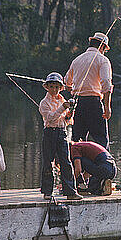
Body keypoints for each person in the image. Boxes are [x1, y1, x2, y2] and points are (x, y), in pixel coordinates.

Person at [64, 32, 113, 149]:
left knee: (77, 142)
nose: (104, 52)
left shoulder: (76, 60)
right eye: (104, 50)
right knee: (101, 141)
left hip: (78, 104)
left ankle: (78, 166)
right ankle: (103, 165)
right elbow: (106, 83)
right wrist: (107, 107)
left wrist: (71, 87)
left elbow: (67, 82)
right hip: (94, 104)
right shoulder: (103, 60)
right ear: (102, 47)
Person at [39, 72, 82, 200]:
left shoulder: (62, 100)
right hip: (49, 133)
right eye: (51, 86)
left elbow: (66, 120)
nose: (54, 89)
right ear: (47, 87)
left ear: (60, 88)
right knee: (48, 163)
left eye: (57, 87)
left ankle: (70, 192)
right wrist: (63, 107)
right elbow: (51, 119)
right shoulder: (44, 103)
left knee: (66, 162)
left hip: (62, 133)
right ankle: (47, 192)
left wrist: (70, 113)